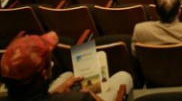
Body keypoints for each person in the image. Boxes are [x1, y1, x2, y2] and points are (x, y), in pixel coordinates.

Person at [0, 31, 132, 101]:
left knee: (68, 75)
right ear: (44, 73)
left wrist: (56, 92)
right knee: (123, 76)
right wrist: (90, 95)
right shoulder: (79, 99)